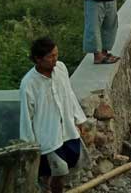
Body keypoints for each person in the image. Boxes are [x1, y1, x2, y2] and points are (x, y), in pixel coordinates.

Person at [20, 37, 87, 193]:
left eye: (56, 55)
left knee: (72, 162)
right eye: (51, 57)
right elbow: (26, 116)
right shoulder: (29, 84)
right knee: (60, 169)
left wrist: (79, 118)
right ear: (38, 59)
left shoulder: (61, 69)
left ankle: (49, 184)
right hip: (48, 136)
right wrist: (29, 145)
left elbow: (69, 94)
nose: (55, 60)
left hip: (67, 130)